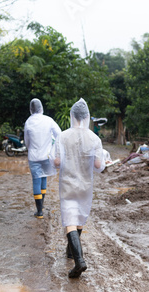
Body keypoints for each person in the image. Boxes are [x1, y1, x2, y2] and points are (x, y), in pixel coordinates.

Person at [51, 98, 105, 278]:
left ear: (72, 116)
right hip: (85, 185)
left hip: (68, 183)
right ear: (87, 117)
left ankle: (79, 261)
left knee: (69, 219)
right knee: (79, 216)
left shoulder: (63, 136)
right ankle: (70, 251)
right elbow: (98, 165)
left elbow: (57, 162)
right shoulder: (94, 138)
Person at [24, 98, 61, 219]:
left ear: (31, 109)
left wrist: (32, 149)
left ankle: (39, 211)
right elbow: (59, 134)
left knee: (36, 180)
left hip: (34, 156)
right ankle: (42, 205)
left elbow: (26, 141)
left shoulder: (28, 122)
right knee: (44, 176)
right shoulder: (48, 120)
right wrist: (53, 147)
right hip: (46, 155)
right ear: (41, 108)